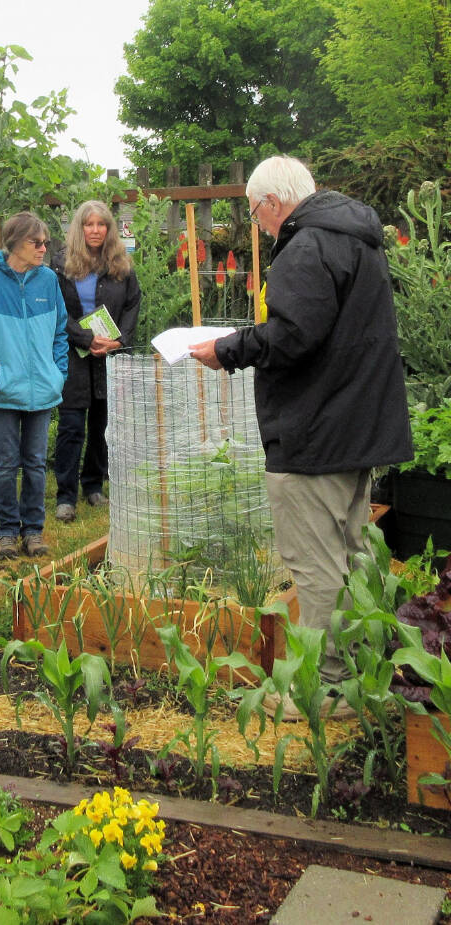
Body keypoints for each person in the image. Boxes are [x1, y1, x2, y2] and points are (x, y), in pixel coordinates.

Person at [188, 155, 412, 712]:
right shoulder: (355, 238)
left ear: (271, 203)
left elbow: (292, 336)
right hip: (354, 423)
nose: (259, 226)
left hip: (315, 431)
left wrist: (227, 348)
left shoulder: (307, 246)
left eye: (255, 213)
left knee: (314, 564)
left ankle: (326, 687)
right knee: (352, 554)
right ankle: (361, 671)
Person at [0, 211, 68, 560]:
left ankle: (34, 533)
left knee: (37, 463)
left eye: (45, 243)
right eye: (35, 242)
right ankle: (7, 533)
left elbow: (60, 331)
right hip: (3, 392)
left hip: (43, 388)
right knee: (6, 463)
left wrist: (58, 371)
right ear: (13, 244)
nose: (43, 248)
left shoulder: (49, 281)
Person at [52, 201, 141, 523]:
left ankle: (93, 486)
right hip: (75, 356)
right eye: (88, 224)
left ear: (109, 229)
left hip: (110, 356)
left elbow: (132, 304)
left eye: (101, 224)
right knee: (72, 426)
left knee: (102, 426)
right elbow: (58, 311)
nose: (94, 230)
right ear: (79, 228)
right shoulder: (61, 264)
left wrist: (120, 340)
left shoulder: (121, 264)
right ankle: (65, 496)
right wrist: (86, 339)